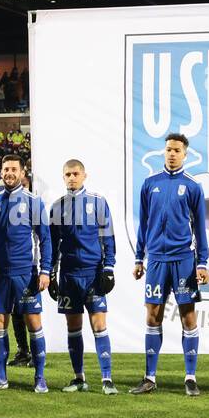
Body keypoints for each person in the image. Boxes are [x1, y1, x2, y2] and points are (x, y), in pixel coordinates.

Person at [130, 133, 209, 396]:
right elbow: (144, 223)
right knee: (152, 315)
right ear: (163, 152)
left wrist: (203, 263)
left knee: (188, 315)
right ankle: (150, 377)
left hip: (184, 260)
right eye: (168, 150)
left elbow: (200, 228)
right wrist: (139, 257)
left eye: (177, 150)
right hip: (156, 261)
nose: (172, 154)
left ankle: (190, 377)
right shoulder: (150, 183)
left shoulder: (193, 186)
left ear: (185, 154)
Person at [0, 154, 52, 392]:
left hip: (26, 272)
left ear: (22, 173)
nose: (9, 173)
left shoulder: (34, 201)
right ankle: (1, 377)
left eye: (13, 169)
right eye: (5, 169)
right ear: (1, 172)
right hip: (0, 273)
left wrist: (45, 270)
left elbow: (45, 240)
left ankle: (40, 377)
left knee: (33, 322)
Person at [48, 158, 117, 394]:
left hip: (93, 274)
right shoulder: (56, 207)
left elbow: (108, 238)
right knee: (73, 326)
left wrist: (109, 268)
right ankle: (79, 378)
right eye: (67, 174)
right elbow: (52, 245)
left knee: (99, 325)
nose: (72, 178)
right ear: (63, 176)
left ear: (84, 176)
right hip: (68, 275)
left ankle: (107, 379)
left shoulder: (98, 202)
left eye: (76, 174)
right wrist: (51, 273)